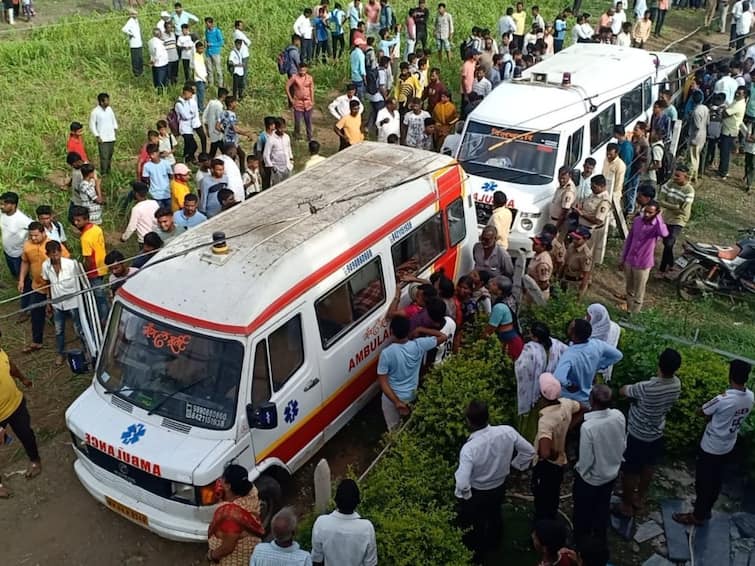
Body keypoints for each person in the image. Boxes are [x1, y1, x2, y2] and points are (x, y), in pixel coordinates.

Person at [674, 360, 753, 526]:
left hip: (711, 446)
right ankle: (707, 508)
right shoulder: (750, 397)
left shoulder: (723, 399)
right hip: (729, 444)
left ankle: (698, 516)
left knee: (703, 482)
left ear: (730, 375)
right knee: (716, 479)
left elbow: (701, 411)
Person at [454, 400, 535, 564]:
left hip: (478, 490)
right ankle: (495, 543)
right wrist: (515, 466)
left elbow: (462, 483)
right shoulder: (507, 431)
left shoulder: (469, 449)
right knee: (494, 514)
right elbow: (529, 451)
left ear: (469, 421)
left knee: (476, 523)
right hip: (499, 485)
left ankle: (477, 555)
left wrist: (467, 496)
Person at [614, 348, 682, 518]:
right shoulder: (676, 384)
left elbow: (623, 391)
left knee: (630, 470)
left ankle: (627, 505)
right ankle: (640, 497)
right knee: (648, 466)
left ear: (659, 363)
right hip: (657, 433)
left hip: (637, 434)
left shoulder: (646, 387)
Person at [573, 384, 626, 545]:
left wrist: (580, 471)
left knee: (582, 512)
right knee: (602, 506)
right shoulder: (618, 415)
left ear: (592, 401)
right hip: (611, 473)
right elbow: (623, 441)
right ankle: (599, 537)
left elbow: (586, 460)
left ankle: (581, 541)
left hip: (591, 479)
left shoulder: (589, 427)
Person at [377, 315, 447, 430]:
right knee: (409, 425)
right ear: (408, 330)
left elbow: (383, 382)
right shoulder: (419, 345)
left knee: (394, 429)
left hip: (391, 398)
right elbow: (443, 336)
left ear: (392, 331)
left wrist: (397, 402)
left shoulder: (386, 353)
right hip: (411, 395)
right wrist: (420, 329)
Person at [532, 373, 581, 522]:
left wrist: (554, 455)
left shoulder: (546, 421)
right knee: (553, 494)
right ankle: (551, 517)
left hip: (547, 465)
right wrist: (569, 426)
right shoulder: (566, 403)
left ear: (542, 395)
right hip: (560, 463)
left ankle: (542, 526)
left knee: (541, 495)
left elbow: (545, 453)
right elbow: (583, 408)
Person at [19, 222, 70, 353]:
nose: (34, 238)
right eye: (31, 236)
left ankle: (68, 337)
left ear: (43, 233)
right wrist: (21, 280)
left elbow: (66, 261)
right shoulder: (27, 245)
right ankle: (37, 341)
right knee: (36, 312)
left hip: (55, 287)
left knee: (61, 312)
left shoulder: (53, 245)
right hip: (37, 286)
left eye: (36, 235)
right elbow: (25, 262)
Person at [0, 333, 39, 498]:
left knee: (26, 434)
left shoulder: (0, 352)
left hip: (16, 404)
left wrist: (23, 379)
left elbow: (10, 367)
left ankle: (35, 461)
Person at [515, 322, 568, 441]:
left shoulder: (530, 348)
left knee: (532, 419)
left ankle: (528, 440)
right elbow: (568, 352)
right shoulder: (556, 344)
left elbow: (522, 367)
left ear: (535, 337)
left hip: (535, 390)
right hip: (550, 388)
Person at [553, 318, 623, 406]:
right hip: (587, 398)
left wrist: (569, 385)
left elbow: (558, 377)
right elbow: (618, 355)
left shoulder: (570, 355)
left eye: (570, 328)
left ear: (574, 335)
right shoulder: (597, 344)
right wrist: (599, 365)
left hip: (567, 399)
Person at [311, 479, 378, 566]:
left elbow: (317, 560)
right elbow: (371, 564)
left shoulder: (321, 523)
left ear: (336, 500)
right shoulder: (367, 528)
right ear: (357, 502)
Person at [206, 464, 264, 565]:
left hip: (236, 559)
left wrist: (211, 555)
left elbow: (227, 548)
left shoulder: (232, 516)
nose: (220, 480)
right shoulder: (251, 491)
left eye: (223, 479)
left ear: (228, 486)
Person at [619, 200, 668, 313]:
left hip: (643, 263)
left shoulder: (656, 226)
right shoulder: (637, 221)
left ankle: (635, 313)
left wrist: (659, 218)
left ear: (656, 213)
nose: (646, 214)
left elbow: (664, 234)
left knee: (639, 291)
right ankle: (629, 311)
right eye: (645, 211)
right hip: (630, 260)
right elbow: (629, 240)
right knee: (629, 288)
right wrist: (623, 258)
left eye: (650, 212)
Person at [41, 240, 84, 367]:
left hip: (73, 301)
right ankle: (60, 353)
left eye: (57, 254)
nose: (55, 257)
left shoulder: (71, 265)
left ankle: (85, 349)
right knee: (59, 330)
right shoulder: (45, 266)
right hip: (57, 303)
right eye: (52, 255)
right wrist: (48, 300)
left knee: (79, 328)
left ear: (60, 252)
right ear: (47, 254)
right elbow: (47, 283)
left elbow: (81, 281)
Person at [71, 206, 109, 324]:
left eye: (79, 220)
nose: (76, 223)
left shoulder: (85, 238)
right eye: (75, 220)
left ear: (86, 219)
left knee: (98, 297)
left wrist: (85, 272)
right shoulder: (96, 228)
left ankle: (103, 319)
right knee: (101, 295)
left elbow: (89, 260)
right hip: (103, 265)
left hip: (94, 270)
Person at [657, 164, 694, 275]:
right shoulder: (669, 184)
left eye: (678, 176)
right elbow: (660, 200)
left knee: (669, 243)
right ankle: (672, 265)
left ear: (685, 177)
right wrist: (675, 206)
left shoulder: (689, 190)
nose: (675, 177)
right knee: (666, 242)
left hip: (679, 219)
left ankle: (662, 269)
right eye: (675, 175)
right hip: (667, 217)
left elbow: (683, 210)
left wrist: (669, 205)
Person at [1, 192, 33, 312]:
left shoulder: (22, 220)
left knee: (24, 280)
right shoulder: (3, 214)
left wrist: (29, 244)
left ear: (13, 205)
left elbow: (36, 228)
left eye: (4, 204)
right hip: (7, 253)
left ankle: (27, 306)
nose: (1, 207)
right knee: (15, 274)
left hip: (18, 256)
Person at [484, 275, 523, 360]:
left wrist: (480, 341)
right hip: (512, 339)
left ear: (500, 291)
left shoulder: (499, 307)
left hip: (510, 343)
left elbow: (490, 330)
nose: (490, 284)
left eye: (494, 284)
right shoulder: (510, 299)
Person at [718, 85, 747, 179]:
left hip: (730, 130)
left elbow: (725, 113)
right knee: (723, 151)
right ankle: (722, 170)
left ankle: (723, 172)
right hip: (727, 128)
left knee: (725, 152)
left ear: (744, 95)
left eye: (739, 93)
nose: (737, 94)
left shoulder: (739, 104)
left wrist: (722, 111)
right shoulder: (736, 101)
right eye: (737, 92)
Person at [89, 93, 118, 175]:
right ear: (101, 102)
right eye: (106, 100)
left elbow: (113, 119)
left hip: (111, 137)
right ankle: (104, 173)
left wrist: (115, 128)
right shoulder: (95, 112)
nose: (108, 102)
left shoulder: (109, 109)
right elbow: (92, 125)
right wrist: (97, 136)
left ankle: (108, 171)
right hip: (102, 138)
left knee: (109, 156)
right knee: (104, 157)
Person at [560, 226, 593, 298]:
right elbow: (565, 262)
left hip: (575, 282)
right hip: (565, 278)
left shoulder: (586, 254)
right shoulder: (571, 246)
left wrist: (580, 291)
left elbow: (586, 274)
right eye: (574, 238)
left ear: (585, 239)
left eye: (578, 239)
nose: (574, 240)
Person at [522, 233, 554, 305]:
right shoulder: (537, 254)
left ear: (543, 246)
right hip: (531, 291)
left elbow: (543, 284)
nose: (533, 245)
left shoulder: (543, 262)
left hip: (537, 294)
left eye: (536, 244)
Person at [287, 63, 316, 141]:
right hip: (298, 103)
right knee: (297, 121)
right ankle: (297, 136)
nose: (302, 72)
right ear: (298, 69)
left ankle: (309, 137)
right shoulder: (294, 77)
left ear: (306, 70)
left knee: (308, 121)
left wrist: (312, 100)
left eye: (304, 70)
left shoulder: (309, 78)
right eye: (301, 70)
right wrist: (291, 99)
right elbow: (287, 87)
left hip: (308, 103)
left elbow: (311, 89)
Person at [263, 118, 294, 186]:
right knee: (277, 188)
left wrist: (291, 160)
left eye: (283, 128)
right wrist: (272, 167)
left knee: (288, 186)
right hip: (277, 169)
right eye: (280, 128)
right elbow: (266, 154)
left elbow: (289, 148)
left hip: (287, 167)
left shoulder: (287, 137)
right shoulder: (271, 139)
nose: (282, 130)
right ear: (276, 128)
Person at [549, 166, 577, 237]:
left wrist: (556, 228)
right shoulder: (562, 186)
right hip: (553, 220)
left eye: (563, 178)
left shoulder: (568, 191)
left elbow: (564, 213)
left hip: (558, 223)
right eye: (560, 178)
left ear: (569, 176)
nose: (561, 180)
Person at [122, 9, 144, 77]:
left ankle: (141, 71)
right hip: (134, 44)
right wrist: (130, 34)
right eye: (133, 14)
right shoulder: (130, 21)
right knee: (135, 59)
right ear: (131, 14)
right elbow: (124, 29)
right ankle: (136, 73)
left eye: (136, 14)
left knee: (140, 57)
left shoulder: (136, 21)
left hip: (139, 42)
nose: (135, 15)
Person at [148, 27, 169, 94]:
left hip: (155, 64)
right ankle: (161, 93)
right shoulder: (158, 43)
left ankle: (157, 91)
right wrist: (154, 60)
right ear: (159, 34)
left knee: (156, 78)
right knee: (161, 80)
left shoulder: (150, 41)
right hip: (161, 63)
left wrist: (152, 60)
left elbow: (151, 52)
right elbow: (158, 54)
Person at [204, 17, 224, 87]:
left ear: (211, 23)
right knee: (209, 69)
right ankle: (211, 84)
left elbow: (221, 42)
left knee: (218, 69)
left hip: (215, 52)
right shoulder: (206, 31)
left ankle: (220, 84)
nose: (207, 25)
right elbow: (206, 39)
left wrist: (212, 44)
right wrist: (205, 43)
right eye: (206, 24)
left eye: (208, 24)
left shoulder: (217, 31)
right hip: (208, 52)